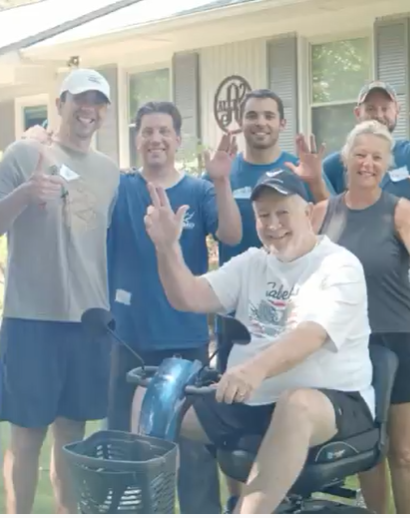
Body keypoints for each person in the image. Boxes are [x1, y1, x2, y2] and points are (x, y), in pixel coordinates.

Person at [140, 168, 375, 514]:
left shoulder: (339, 266)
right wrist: (166, 247)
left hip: (334, 404)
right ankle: (144, 506)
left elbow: (312, 334)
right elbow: (188, 296)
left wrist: (253, 370)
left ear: (308, 213)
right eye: (264, 215)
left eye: (283, 212)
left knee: (296, 404)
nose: (273, 223)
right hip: (252, 401)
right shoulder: (253, 262)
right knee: (152, 396)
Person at [0, 68, 121, 514]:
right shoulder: (25, 154)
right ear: (59, 103)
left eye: (98, 102)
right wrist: (24, 193)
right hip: (32, 319)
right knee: (26, 438)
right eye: (80, 99)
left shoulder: (110, 172)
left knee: (72, 438)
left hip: (87, 321)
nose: (88, 109)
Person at [297, 120, 410, 514]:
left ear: (386, 165)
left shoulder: (400, 210)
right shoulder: (324, 212)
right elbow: (298, 271)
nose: (367, 163)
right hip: (349, 345)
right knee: (367, 451)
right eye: (360, 154)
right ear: (345, 160)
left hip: (402, 339)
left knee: (406, 453)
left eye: (376, 157)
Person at [106, 100, 242, 513]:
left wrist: (220, 182)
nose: (156, 139)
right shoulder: (121, 188)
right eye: (147, 131)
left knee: (194, 454)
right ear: (137, 139)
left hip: (185, 340)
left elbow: (232, 235)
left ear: (178, 139)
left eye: (164, 131)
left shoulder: (198, 190)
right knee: (126, 449)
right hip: (128, 340)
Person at [210, 88, 335, 508]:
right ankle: (237, 502)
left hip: (293, 311)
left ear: (281, 123)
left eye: (268, 115)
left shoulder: (296, 172)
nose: (259, 123)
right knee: (233, 418)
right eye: (251, 116)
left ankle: (291, 500)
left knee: (290, 411)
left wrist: (315, 178)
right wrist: (222, 180)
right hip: (241, 317)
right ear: (241, 123)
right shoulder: (227, 169)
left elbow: (330, 219)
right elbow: (226, 234)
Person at [322, 80, 410, 204]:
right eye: (370, 109)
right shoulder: (336, 165)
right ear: (357, 113)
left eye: (385, 108)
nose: (378, 115)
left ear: (397, 111)